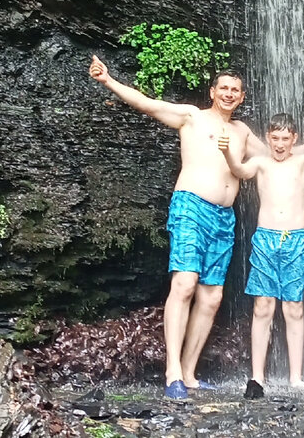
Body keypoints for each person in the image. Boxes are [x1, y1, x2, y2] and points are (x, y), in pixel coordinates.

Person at [88, 55, 261, 400]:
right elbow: (148, 105)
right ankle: (172, 373)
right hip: (191, 207)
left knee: (211, 296)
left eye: (235, 91)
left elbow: (280, 152)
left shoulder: (242, 132)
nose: (229, 94)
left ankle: (190, 373)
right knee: (184, 283)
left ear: (241, 98)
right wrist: (109, 81)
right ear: (213, 92)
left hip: (225, 217)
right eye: (223, 88)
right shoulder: (192, 117)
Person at [218, 113, 304, 397]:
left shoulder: (301, 162)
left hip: (296, 240)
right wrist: (227, 152)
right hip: (265, 239)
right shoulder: (261, 162)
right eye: (274, 138)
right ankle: (257, 377)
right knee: (263, 307)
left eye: (285, 139)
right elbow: (240, 171)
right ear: (267, 138)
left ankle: (296, 377)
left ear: (294, 139)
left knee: (293, 307)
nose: (279, 144)